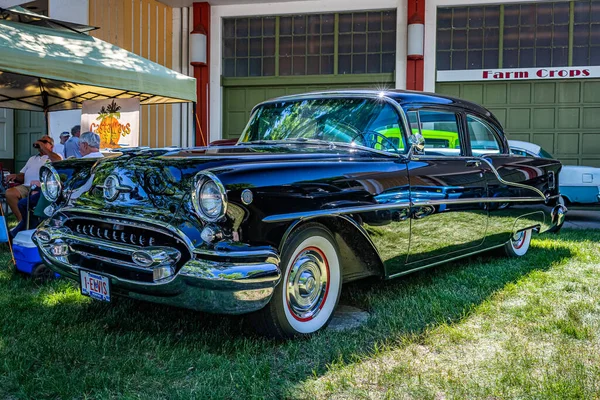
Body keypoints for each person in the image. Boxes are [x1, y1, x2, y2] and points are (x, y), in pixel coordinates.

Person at [5, 135, 63, 223]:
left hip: (43, 188)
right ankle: (22, 221)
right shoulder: (32, 158)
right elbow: (22, 175)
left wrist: (44, 149)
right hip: (26, 186)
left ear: (51, 146)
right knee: (9, 193)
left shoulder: (55, 156)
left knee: (34, 194)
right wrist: (16, 176)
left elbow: (58, 162)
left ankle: (33, 222)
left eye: (44, 142)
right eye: (40, 141)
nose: (41, 143)